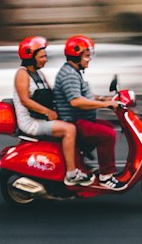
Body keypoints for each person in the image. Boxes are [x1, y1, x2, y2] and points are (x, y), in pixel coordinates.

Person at [13, 36, 91, 187]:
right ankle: (71, 174)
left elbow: (52, 95)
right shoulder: (22, 74)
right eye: (42, 56)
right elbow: (25, 100)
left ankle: (79, 165)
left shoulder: (39, 74)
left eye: (45, 56)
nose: (45, 59)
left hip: (41, 118)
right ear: (30, 57)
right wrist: (48, 112)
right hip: (31, 122)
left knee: (74, 123)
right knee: (69, 130)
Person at [53, 34, 121, 189]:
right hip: (74, 122)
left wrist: (103, 99)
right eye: (87, 56)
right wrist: (105, 105)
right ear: (76, 55)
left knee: (109, 127)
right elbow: (76, 101)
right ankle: (106, 177)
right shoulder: (70, 75)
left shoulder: (74, 72)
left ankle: (85, 163)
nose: (89, 59)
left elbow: (84, 95)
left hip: (81, 120)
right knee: (107, 135)